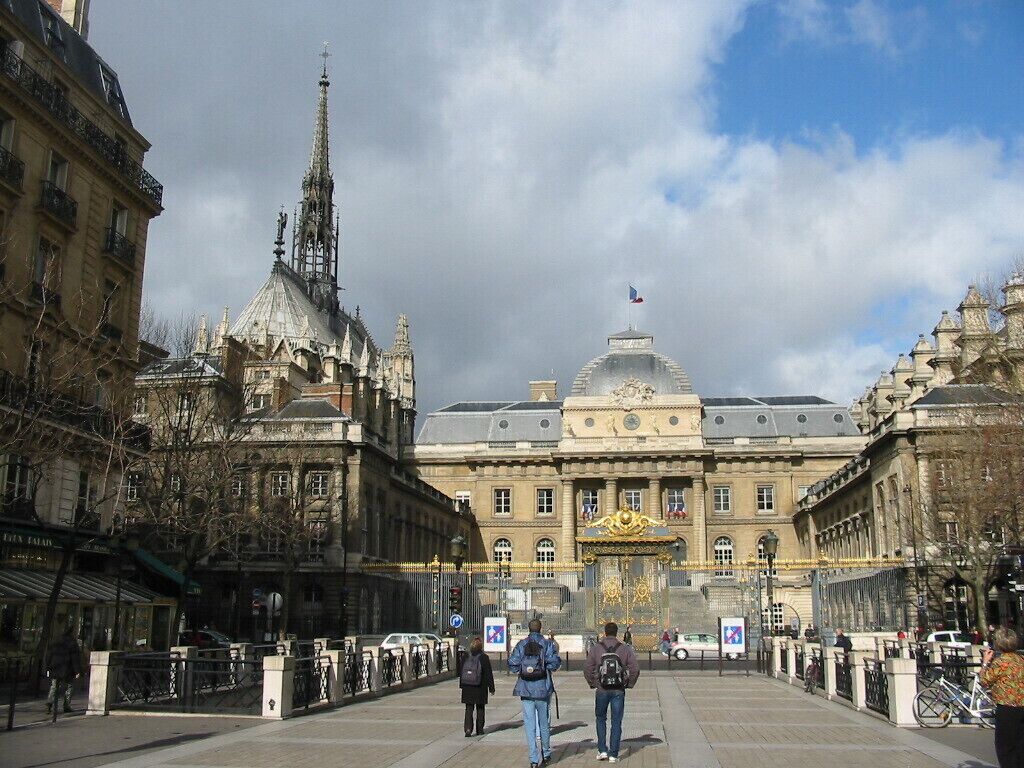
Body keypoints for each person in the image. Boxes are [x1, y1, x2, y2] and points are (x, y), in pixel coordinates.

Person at [584, 621, 640, 763]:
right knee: (616, 721)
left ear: (604, 632)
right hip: (618, 689)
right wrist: (629, 684)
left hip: (602, 689)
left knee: (601, 719)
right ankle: (614, 754)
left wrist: (593, 683)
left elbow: (587, 669)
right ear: (617, 633)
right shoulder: (624, 648)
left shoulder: (596, 648)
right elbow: (635, 669)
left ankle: (602, 750)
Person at [509, 618, 562, 768]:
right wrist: (544, 668)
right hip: (542, 688)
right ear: (540, 628)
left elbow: (512, 664)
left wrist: (523, 670)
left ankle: (533, 758)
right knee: (544, 723)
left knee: (529, 724)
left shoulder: (521, 644)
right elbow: (555, 663)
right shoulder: (547, 644)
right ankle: (546, 753)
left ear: (529, 629)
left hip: (525, 688)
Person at [981, 628, 1024, 768]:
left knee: (1005, 747)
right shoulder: (1021, 660)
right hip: (1022, 706)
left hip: (1007, 709)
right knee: (1020, 745)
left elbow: (984, 681)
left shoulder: (1001, 662)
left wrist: (985, 662)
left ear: (999, 644)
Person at [458, 637, 495, 737]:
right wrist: (491, 688)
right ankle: (479, 729)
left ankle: (468, 729)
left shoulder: (465, 656)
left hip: (467, 686)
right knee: (480, 708)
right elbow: (488, 674)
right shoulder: (484, 657)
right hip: (480, 687)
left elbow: (461, 671)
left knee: (468, 708)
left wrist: (462, 685)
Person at [46, 625, 82, 715]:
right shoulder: (72, 642)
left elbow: (49, 655)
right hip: (67, 668)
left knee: (54, 686)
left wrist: (48, 666)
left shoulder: (55, 641)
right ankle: (66, 705)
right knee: (69, 686)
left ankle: (49, 702)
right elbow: (75, 658)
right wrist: (77, 671)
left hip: (55, 667)